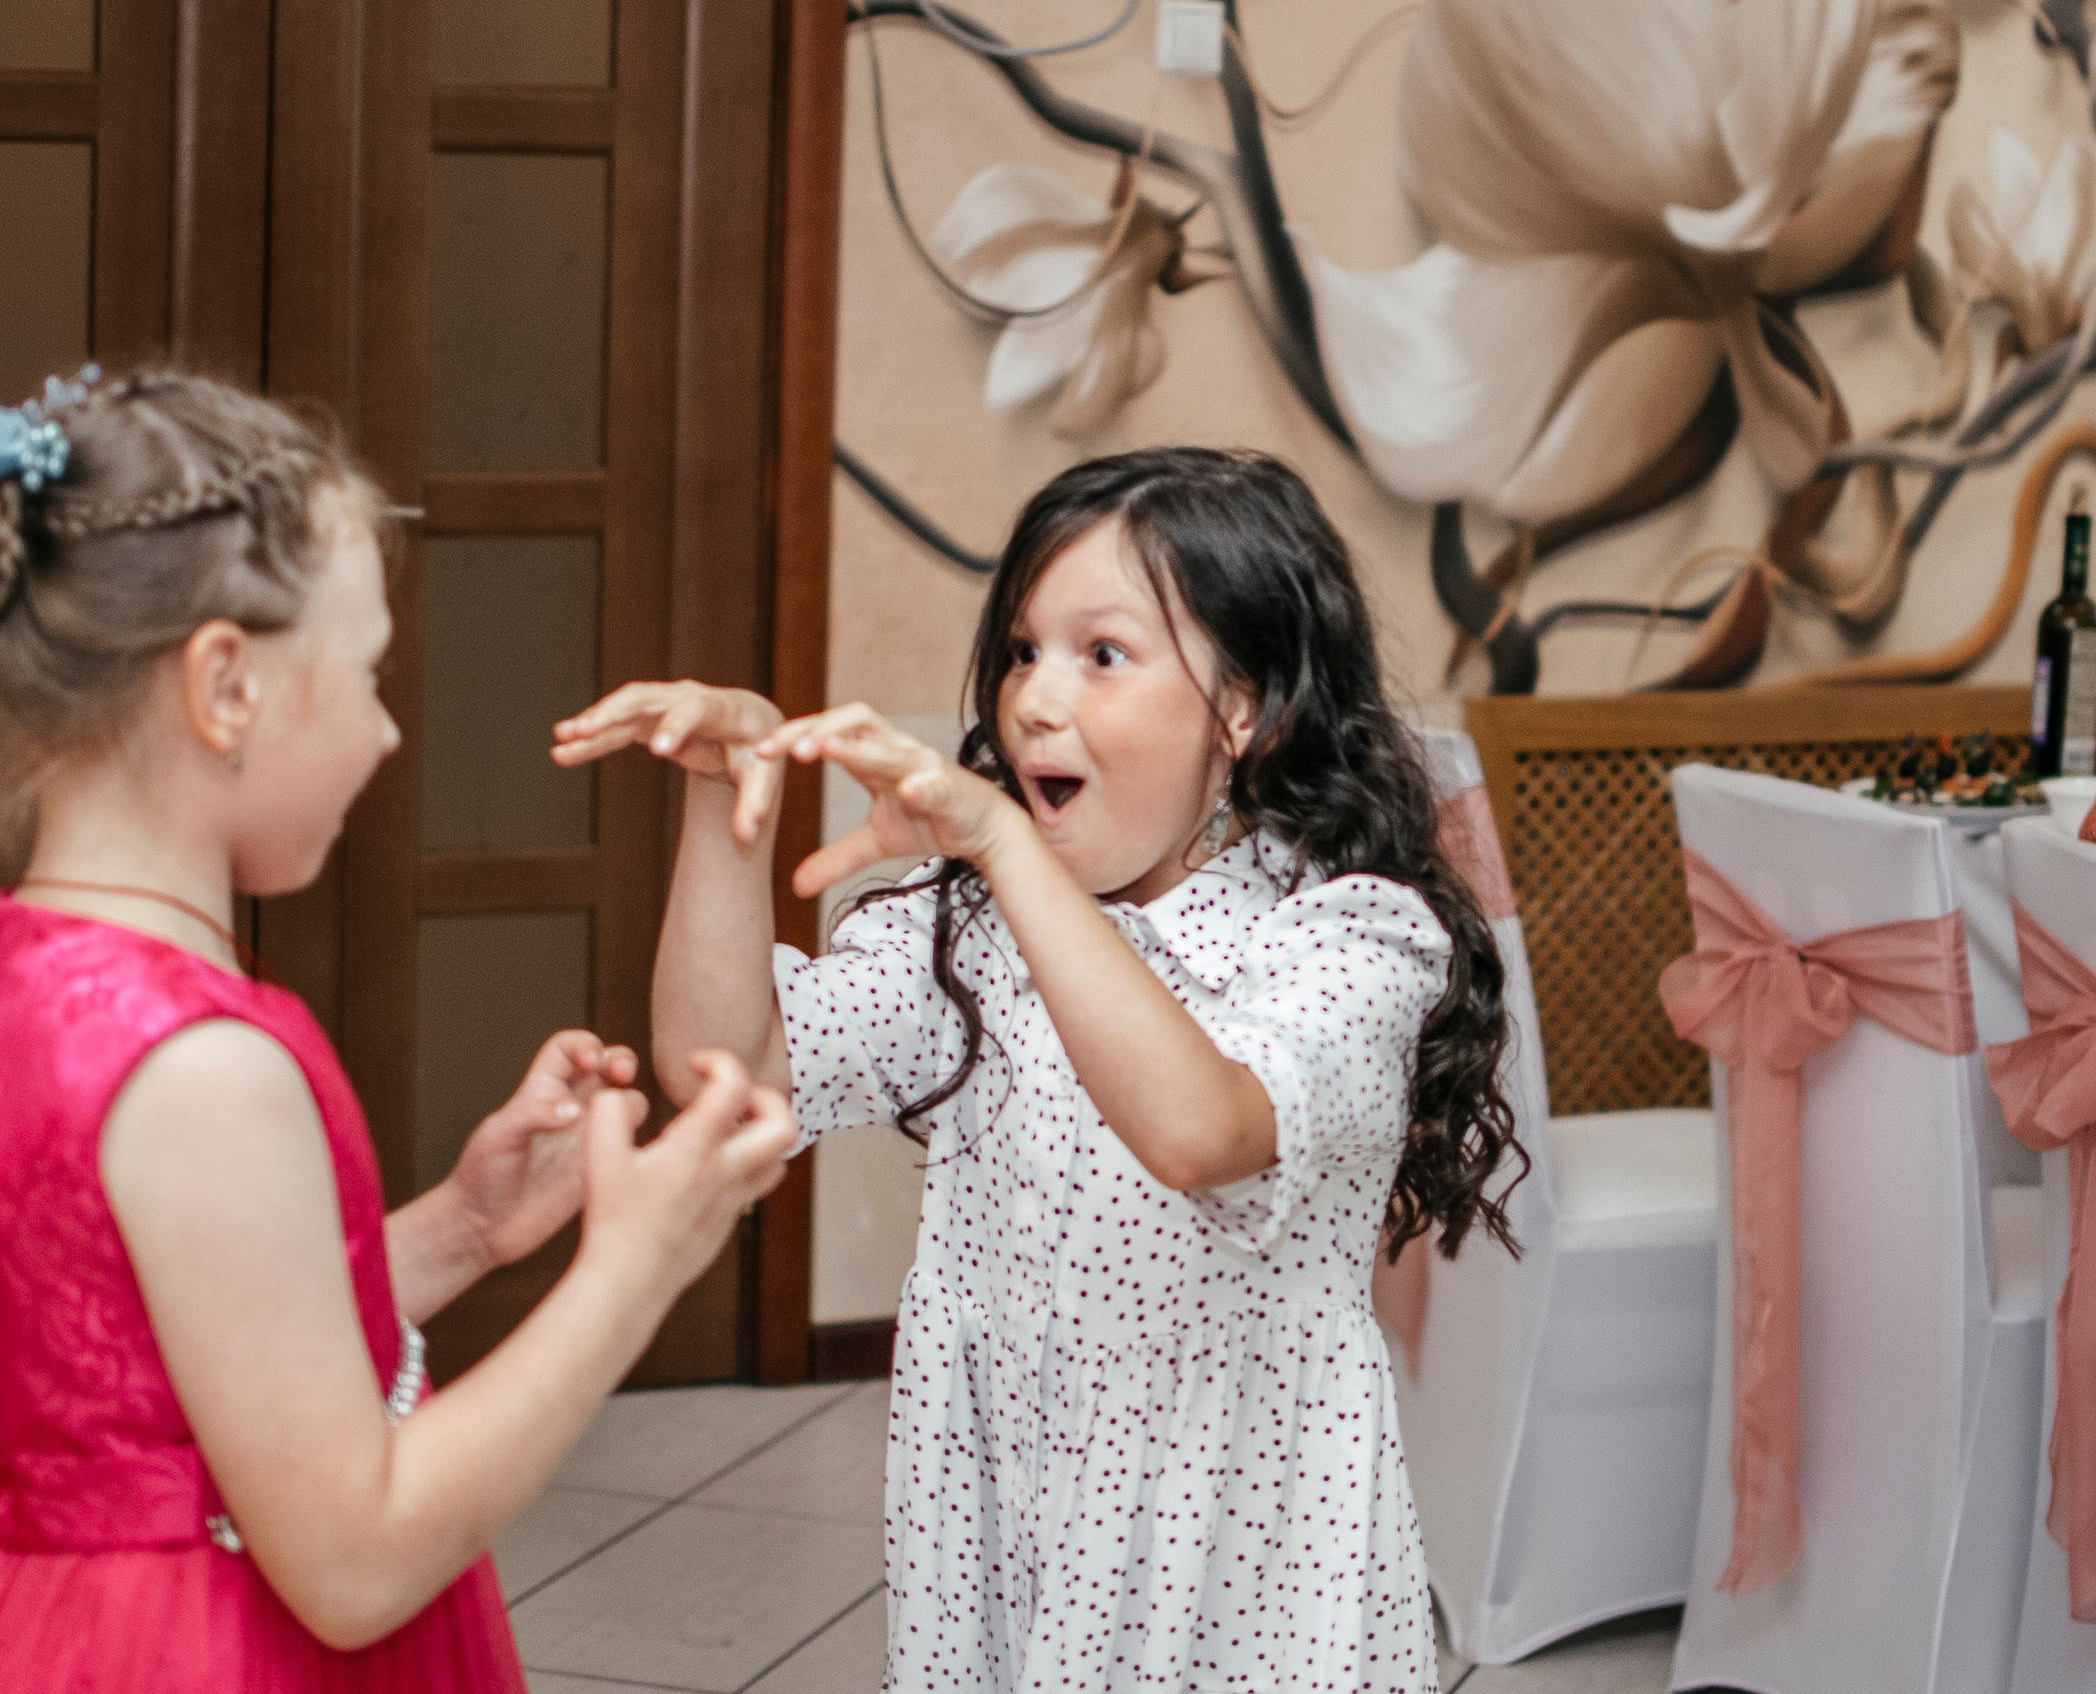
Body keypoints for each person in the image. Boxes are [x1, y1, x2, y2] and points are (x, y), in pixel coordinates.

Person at [0, 369, 795, 1693]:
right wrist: (635, 1266)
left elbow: (173, 1347)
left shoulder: (25, 958)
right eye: (366, 675)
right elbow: (353, 1558)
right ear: (225, 685)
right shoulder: (200, 1066)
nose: (385, 734)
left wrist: (462, 1229)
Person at [555, 447, 1520, 1692]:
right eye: (1021, 650)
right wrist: (723, 802)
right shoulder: (974, 920)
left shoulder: (1348, 935)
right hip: (1005, 1511)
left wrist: (1005, 848)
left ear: (1244, 709)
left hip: (1236, 1545)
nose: (1033, 702)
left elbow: (1200, 1128)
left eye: (1101, 653)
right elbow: (728, 1073)